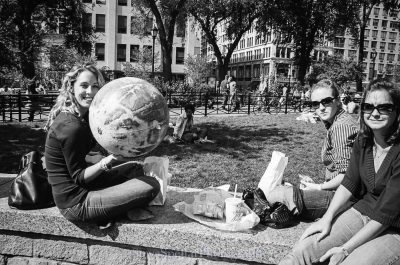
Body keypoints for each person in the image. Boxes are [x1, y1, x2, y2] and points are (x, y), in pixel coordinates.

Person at [279, 79, 400, 265]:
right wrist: (326, 219)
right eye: (368, 107)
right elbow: (349, 182)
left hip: (394, 227)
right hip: (364, 211)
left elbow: (387, 214)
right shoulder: (364, 140)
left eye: (384, 107)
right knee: (302, 250)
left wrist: (346, 249)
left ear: (397, 110)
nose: (375, 113)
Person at [44, 63, 160, 226]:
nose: (90, 92)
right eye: (84, 86)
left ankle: (120, 206)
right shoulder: (71, 127)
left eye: (95, 86)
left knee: (135, 168)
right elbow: (78, 178)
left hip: (86, 187)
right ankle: (120, 209)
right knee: (152, 186)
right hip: (76, 202)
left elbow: (74, 155)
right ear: (72, 87)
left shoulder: (83, 117)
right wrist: (108, 160)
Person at [266, 79, 358, 220]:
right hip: (339, 191)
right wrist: (317, 185)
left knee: (274, 196)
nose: (321, 107)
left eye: (326, 101)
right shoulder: (338, 122)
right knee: (281, 191)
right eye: (315, 103)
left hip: (345, 197)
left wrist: (319, 187)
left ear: (338, 101)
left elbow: (346, 175)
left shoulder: (341, 127)